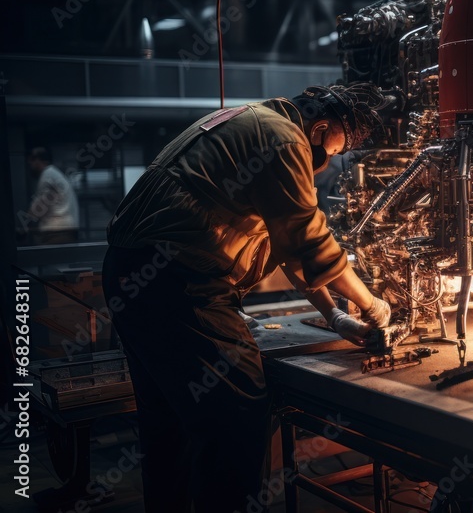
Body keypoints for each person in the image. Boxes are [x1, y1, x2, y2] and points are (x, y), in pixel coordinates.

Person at [102, 84, 393, 513]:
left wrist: (334, 315)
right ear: (322, 127)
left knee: (170, 425)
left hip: (133, 274)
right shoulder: (283, 138)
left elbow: (287, 245)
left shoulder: (250, 122)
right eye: (333, 150)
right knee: (237, 414)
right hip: (178, 283)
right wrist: (371, 305)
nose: (329, 163)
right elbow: (309, 241)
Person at [25, 147, 80, 244]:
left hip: (57, 232)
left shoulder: (47, 175)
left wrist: (23, 227)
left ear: (39, 160)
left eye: (32, 160)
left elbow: (37, 208)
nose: (30, 164)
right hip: (65, 229)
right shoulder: (54, 173)